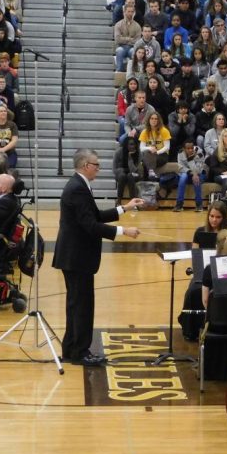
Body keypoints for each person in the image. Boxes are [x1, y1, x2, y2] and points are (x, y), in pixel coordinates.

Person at [53, 149, 142, 366]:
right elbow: (90, 225)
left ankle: (72, 349)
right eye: (96, 165)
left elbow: (94, 215)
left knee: (76, 304)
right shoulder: (77, 189)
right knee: (82, 306)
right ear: (85, 165)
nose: (98, 169)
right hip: (77, 256)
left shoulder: (79, 185)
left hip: (75, 256)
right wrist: (123, 231)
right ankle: (80, 352)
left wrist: (124, 208)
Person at [174, 139, 206, 212]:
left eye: (192, 148)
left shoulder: (199, 152)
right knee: (183, 177)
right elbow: (181, 168)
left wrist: (190, 159)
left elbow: (199, 169)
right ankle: (179, 204)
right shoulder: (180, 153)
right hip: (187, 174)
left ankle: (199, 205)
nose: (190, 150)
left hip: (200, 174)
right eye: (188, 148)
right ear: (184, 149)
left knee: (196, 180)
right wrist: (192, 173)